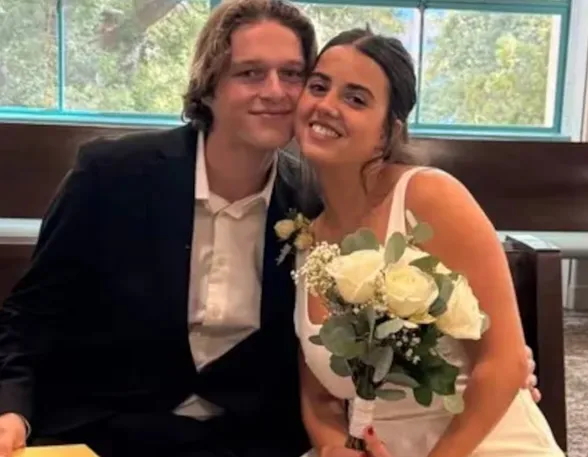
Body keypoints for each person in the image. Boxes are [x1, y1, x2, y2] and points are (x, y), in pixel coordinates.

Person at [0, 1, 539, 456]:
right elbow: (31, 316)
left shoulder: (316, 206)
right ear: (209, 85)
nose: (276, 91)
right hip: (114, 429)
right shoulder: (111, 176)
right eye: (250, 73)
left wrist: (489, 361)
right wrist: (11, 411)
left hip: (255, 438)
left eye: (293, 74)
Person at [293, 28, 564, 457]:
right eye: (319, 87)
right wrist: (332, 448)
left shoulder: (428, 197)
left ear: (388, 132)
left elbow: (505, 361)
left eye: (356, 99)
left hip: (480, 441)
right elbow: (319, 395)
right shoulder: (307, 239)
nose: (327, 105)